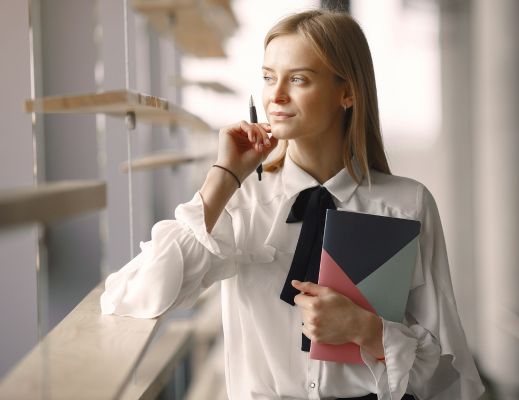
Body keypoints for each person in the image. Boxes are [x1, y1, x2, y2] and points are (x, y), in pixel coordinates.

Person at [100, 9, 485, 400]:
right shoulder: (241, 203)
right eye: (268, 77)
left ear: (347, 92)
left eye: (298, 78)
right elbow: (131, 296)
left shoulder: (407, 204)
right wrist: (223, 177)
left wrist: (365, 329)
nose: (276, 95)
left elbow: (443, 373)